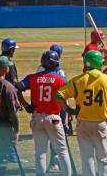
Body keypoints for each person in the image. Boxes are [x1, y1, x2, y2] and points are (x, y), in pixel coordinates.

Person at [56, 50, 107, 176]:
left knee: (87, 159)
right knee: (103, 159)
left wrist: (69, 110)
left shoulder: (78, 80)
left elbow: (58, 95)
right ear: (98, 63)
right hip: (101, 124)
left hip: (83, 124)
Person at [16, 50, 72, 176]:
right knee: (62, 151)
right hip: (54, 118)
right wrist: (67, 116)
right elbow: (66, 100)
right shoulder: (61, 79)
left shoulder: (32, 77)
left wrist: (25, 105)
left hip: (37, 118)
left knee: (40, 152)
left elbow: (17, 88)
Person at [35, 44, 70, 173]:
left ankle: (48, 166)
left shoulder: (39, 68)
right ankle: (55, 163)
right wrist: (66, 114)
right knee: (59, 141)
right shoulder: (59, 71)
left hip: (40, 108)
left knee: (40, 148)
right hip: (56, 108)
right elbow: (64, 93)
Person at [0, 38, 29, 163]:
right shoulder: (9, 63)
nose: (14, 51)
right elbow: (15, 85)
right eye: (13, 49)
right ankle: (11, 154)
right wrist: (23, 103)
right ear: (10, 50)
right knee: (10, 126)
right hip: (8, 98)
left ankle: (4, 153)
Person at [0, 56, 20, 176]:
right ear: (5, 68)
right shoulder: (8, 87)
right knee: (2, 157)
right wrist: (17, 130)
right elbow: (13, 113)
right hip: (3, 127)